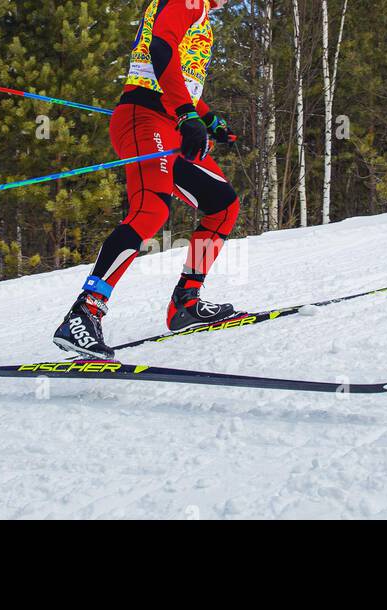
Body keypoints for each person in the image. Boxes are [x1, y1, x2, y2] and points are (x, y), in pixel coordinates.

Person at [53, 0, 240, 360]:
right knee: (150, 210)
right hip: (145, 119)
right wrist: (188, 114)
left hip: (169, 122)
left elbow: (175, 73)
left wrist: (207, 116)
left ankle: (185, 302)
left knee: (222, 206)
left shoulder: (198, 11)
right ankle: (83, 313)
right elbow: (161, 47)